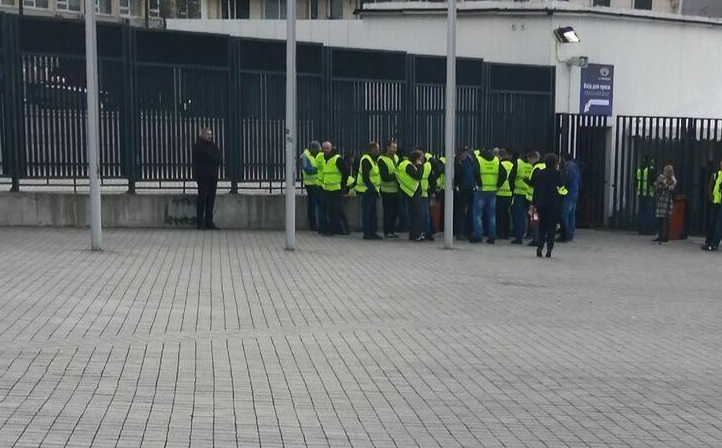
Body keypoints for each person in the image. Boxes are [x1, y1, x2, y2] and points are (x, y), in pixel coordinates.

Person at [530, 153, 565, 258]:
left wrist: (533, 203)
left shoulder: (540, 173)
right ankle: (549, 249)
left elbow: (536, 189)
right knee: (552, 228)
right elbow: (561, 184)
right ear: (555, 163)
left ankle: (540, 247)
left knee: (542, 227)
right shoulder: (557, 173)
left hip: (541, 203)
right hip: (554, 203)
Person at [472, 148, 507, 244]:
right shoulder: (496, 160)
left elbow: (475, 172)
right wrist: (498, 184)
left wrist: (479, 184)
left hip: (481, 191)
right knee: (492, 214)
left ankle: (478, 235)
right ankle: (492, 236)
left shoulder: (478, 160)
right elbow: (504, 173)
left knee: (477, 214)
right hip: (492, 190)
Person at [193, 127, 222, 230]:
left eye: (210, 134)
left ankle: (209, 221)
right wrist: (213, 158)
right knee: (202, 198)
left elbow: (218, 157)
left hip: (213, 176)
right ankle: (200, 222)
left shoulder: (213, 146)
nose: (210, 136)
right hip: (202, 176)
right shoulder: (198, 146)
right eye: (208, 134)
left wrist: (213, 158)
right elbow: (207, 156)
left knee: (211, 198)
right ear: (203, 135)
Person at [321, 140, 350, 236]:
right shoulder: (325, 158)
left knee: (334, 211)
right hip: (328, 188)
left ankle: (332, 230)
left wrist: (343, 185)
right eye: (324, 148)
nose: (325, 150)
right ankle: (343, 229)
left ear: (331, 148)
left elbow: (345, 172)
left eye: (327, 148)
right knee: (336, 210)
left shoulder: (337, 159)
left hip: (336, 189)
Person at [396, 150, 426, 242]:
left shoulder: (406, 164)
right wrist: (420, 165)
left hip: (410, 192)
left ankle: (414, 234)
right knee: (417, 214)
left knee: (414, 214)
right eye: (421, 158)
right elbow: (418, 176)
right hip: (412, 193)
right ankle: (416, 235)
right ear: (418, 158)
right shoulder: (408, 165)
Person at [511, 151, 538, 245]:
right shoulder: (537, 166)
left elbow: (512, 177)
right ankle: (533, 237)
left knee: (521, 216)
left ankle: (520, 237)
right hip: (529, 195)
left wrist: (512, 189)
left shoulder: (519, 163)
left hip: (521, 194)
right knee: (532, 216)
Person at [356, 142, 382, 240]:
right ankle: (367, 233)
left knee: (372, 213)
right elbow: (366, 176)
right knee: (368, 212)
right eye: (376, 149)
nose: (378, 151)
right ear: (372, 149)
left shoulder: (373, 160)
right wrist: (371, 188)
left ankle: (372, 232)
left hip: (372, 190)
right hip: (367, 190)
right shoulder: (366, 160)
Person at [454, 146, 477, 240]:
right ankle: (459, 232)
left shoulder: (471, 161)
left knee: (470, 211)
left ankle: (468, 231)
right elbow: (456, 175)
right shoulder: (458, 161)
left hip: (470, 188)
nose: (465, 154)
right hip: (462, 189)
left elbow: (474, 172)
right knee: (461, 212)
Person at [378, 140, 400, 239]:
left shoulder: (396, 157)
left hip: (396, 190)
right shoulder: (382, 159)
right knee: (388, 213)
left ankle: (392, 230)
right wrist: (396, 176)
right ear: (387, 147)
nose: (395, 150)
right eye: (393, 147)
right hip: (386, 191)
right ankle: (387, 231)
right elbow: (385, 177)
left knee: (395, 212)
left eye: (396, 147)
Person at [558, 152, 581, 242]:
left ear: (563, 158)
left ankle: (565, 233)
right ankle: (570, 233)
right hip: (575, 191)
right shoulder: (575, 166)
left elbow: (566, 180)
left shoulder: (568, 167)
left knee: (565, 213)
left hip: (569, 192)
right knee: (571, 214)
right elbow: (579, 180)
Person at [299, 141, 321, 231]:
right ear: (312, 148)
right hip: (310, 184)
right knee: (312, 205)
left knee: (316, 204)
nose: (318, 152)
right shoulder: (304, 156)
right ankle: (313, 225)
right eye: (316, 150)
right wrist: (317, 170)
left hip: (316, 183)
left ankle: (316, 225)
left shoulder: (313, 155)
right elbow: (307, 169)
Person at [653, 164, 677, 244]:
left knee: (665, 220)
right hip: (661, 200)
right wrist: (658, 183)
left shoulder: (673, 180)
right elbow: (657, 188)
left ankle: (665, 237)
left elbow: (671, 188)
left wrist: (665, 183)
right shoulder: (662, 178)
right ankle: (660, 236)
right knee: (660, 219)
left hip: (667, 201)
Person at [702, 160, 722, 251]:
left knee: (719, 225)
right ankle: (709, 242)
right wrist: (711, 198)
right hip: (716, 202)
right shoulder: (716, 175)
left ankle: (714, 243)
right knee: (712, 223)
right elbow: (710, 188)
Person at [496, 148, 514, 240]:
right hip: (509, 193)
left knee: (499, 214)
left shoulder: (499, 165)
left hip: (499, 192)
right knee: (507, 214)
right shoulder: (512, 165)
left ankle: (499, 232)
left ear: (499, 156)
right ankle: (507, 233)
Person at [637, 157, 656, 235]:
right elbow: (653, 182)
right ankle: (647, 230)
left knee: (641, 212)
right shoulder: (650, 170)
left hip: (640, 194)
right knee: (648, 213)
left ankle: (640, 229)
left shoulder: (639, 170)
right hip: (648, 194)